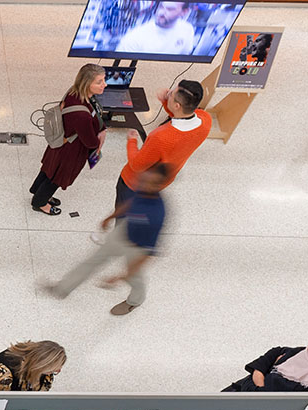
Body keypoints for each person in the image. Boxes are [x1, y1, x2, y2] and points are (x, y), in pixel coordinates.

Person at [47, 163, 170, 316]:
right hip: (123, 232)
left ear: (160, 185)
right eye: (143, 179)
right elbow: (129, 204)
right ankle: (63, 288)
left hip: (138, 248)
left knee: (135, 277)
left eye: (149, 182)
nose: (143, 184)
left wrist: (121, 276)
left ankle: (135, 301)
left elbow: (149, 254)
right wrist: (110, 217)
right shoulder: (143, 187)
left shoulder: (157, 214)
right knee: (93, 260)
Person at [114, 81, 210, 209]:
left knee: (123, 215)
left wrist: (131, 141)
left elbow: (136, 165)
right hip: (161, 181)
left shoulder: (161, 137)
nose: (168, 93)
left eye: (171, 94)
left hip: (133, 183)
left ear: (177, 105)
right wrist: (166, 103)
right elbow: (182, 117)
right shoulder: (206, 120)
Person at [30, 64, 106, 216]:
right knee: (57, 177)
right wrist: (99, 141)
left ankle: (37, 191)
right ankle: (40, 203)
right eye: (99, 82)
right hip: (71, 151)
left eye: (104, 80)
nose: (105, 84)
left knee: (49, 169)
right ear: (86, 84)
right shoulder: (81, 115)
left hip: (61, 143)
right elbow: (90, 142)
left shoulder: (73, 92)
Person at [222, 344, 308, 393]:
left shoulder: (297, 387)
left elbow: (252, 391)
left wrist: (262, 372)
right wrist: (261, 376)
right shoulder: (298, 353)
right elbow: (276, 351)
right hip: (233, 392)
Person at [0, 341, 66, 392]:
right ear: (40, 365)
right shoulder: (2, 374)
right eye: (54, 369)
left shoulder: (46, 373)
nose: (58, 371)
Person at [115, 2, 196, 55]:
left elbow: (184, 56)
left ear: (184, 12)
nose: (161, 12)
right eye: (161, 7)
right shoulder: (134, 37)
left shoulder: (187, 29)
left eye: (170, 9)